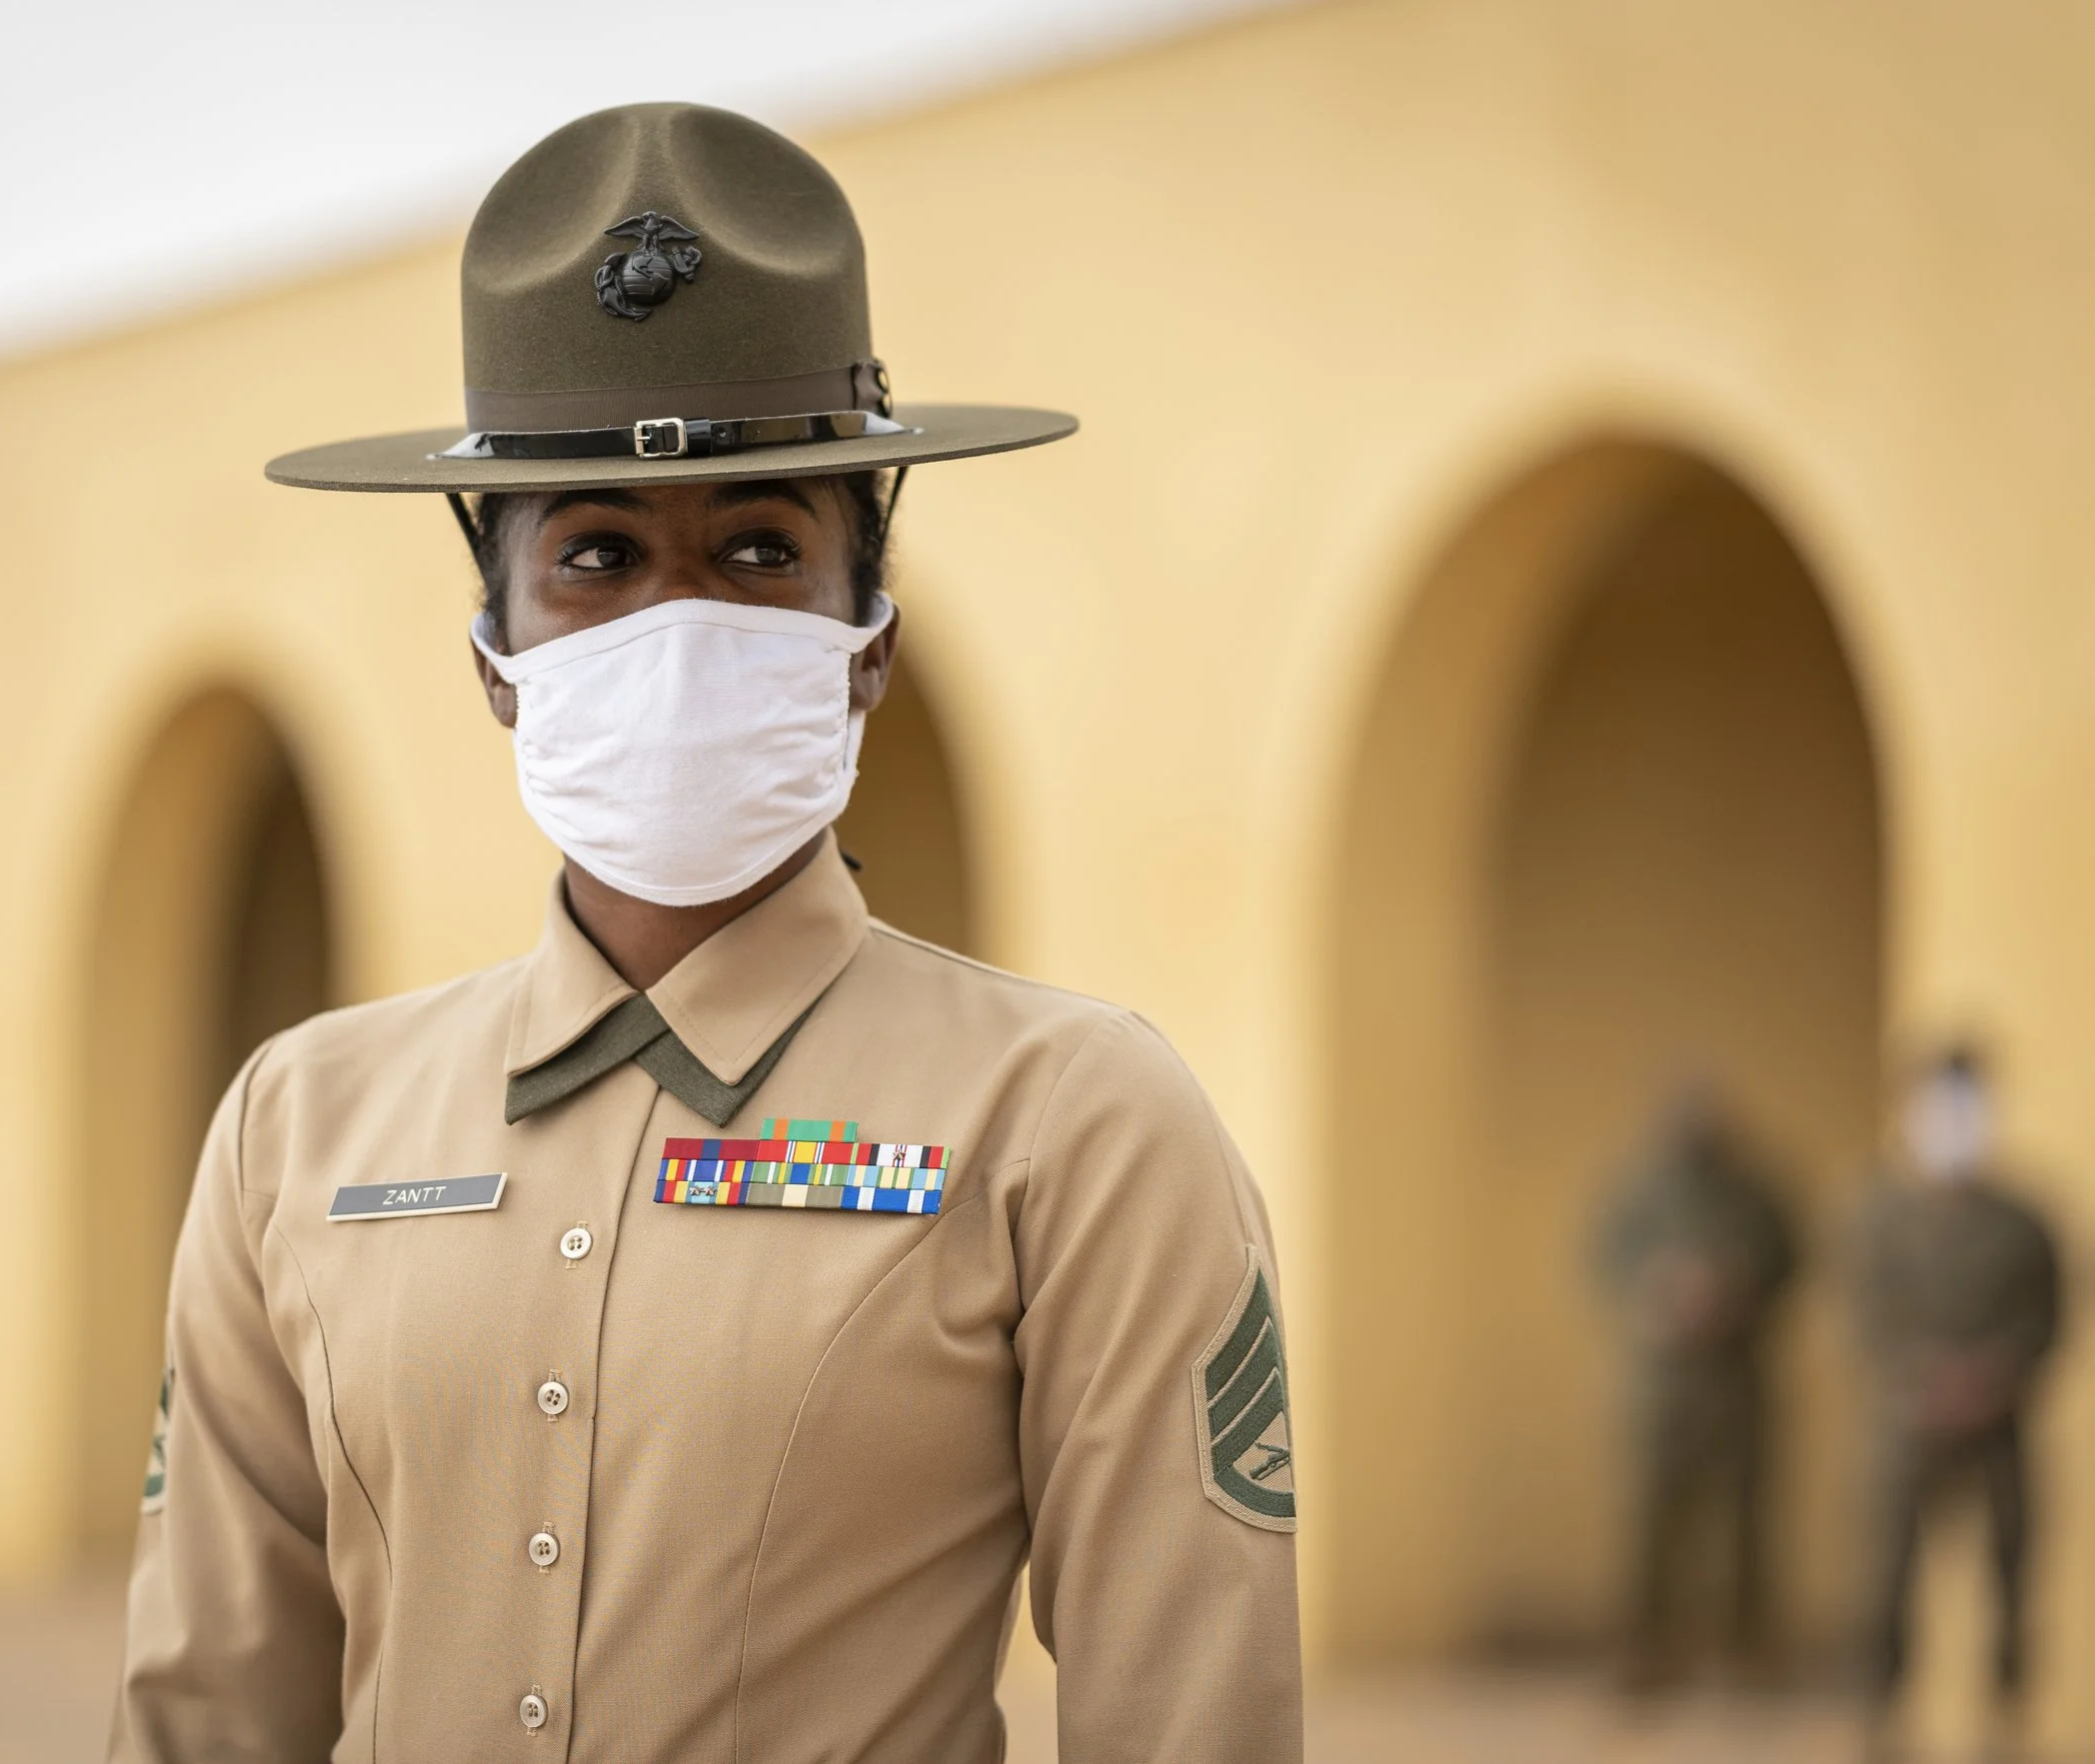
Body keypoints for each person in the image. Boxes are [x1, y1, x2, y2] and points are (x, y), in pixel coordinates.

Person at [109, 103, 1302, 1761]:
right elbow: (204, 1718)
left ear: (867, 637)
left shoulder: (1075, 1123)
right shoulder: (295, 1131)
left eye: (758, 548)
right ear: (494, 653)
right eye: (595, 555)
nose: (677, 624)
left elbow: (1192, 1724)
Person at [1856, 1045, 2063, 1725]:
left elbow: (2051, 1314)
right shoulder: (1879, 1217)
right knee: (1888, 1568)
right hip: (1906, 1422)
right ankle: (1881, 1709)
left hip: (2000, 1420)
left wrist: (1997, 1373)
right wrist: (1924, 1374)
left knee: (2012, 1568)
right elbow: (1861, 1314)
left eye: (1967, 1107)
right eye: (1938, 1107)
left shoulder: (2023, 1220)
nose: (1953, 1123)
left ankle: (2008, 1709)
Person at [1596, 1081, 1800, 1689]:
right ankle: (1646, 1652)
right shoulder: (1636, 1195)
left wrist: (1738, 1290)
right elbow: (1603, 1265)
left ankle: (1748, 1654)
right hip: (1661, 1389)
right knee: (1652, 1523)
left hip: (1738, 1384)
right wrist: (1659, 1292)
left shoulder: (1757, 1196)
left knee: (1746, 1525)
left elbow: (1790, 1263)